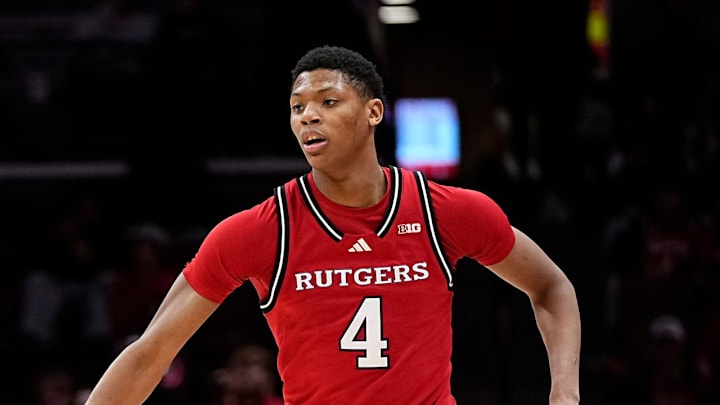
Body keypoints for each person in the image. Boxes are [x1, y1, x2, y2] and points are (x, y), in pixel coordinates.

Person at [85, 45, 581, 404]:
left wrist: (565, 391)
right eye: (298, 108)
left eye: (327, 102)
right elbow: (151, 353)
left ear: (373, 112)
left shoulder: (444, 211)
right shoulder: (260, 231)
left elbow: (551, 286)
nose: (308, 118)